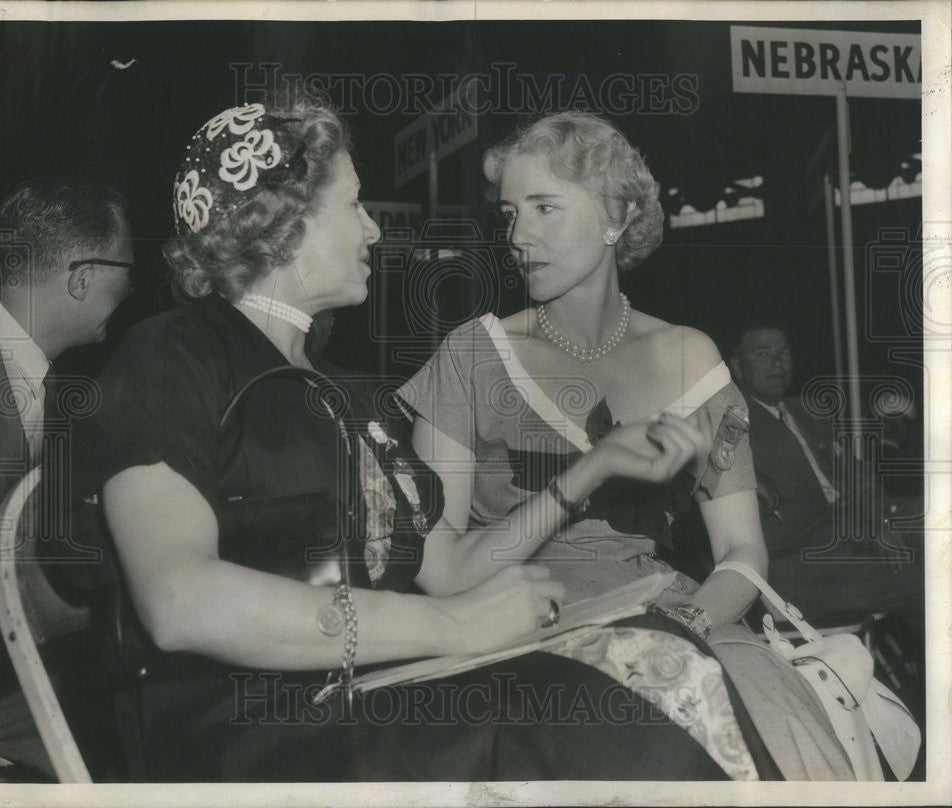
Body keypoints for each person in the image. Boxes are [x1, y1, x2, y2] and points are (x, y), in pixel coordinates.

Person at [67, 93, 779, 782]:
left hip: (370, 695)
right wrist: (452, 626)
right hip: (249, 730)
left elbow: (441, 568)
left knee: (649, 688)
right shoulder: (171, 354)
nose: (374, 229)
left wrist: (576, 489)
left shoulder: (341, 392)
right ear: (283, 221)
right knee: (619, 717)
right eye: (353, 205)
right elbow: (180, 601)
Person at [398, 112, 860, 779]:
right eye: (509, 214)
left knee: (787, 739)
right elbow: (438, 572)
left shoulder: (687, 356)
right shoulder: (470, 357)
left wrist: (692, 623)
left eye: (545, 208)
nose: (519, 236)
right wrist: (592, 468)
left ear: (614, 218)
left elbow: (741, 550)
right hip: (519, 628)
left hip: (677, 615)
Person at [0, 177, 135, 778]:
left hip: (22, 684)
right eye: (128, 269)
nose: (134, 287)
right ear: (83, 276)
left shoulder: (68, 391)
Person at [728, 325, 924, 625]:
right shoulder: (732, 425)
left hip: (855, 527)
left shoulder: (808, 412)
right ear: (738, 368)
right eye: (762, 353)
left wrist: (878, 523)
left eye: (784, 353)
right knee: (926, 581)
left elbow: (856, 474)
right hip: (805, 565)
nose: (777, 362)